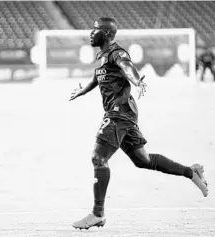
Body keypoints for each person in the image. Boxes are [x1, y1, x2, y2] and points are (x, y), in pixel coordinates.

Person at [69, 17, 208, 230]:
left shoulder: (118, 53)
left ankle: (97, 213)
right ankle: (192, 172)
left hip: (119, 113)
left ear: (106, 33)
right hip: (123, 114)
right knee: (143, 159)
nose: (90, 32)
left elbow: (127, 68)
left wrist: (137, 81)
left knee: (98, 157)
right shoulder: (102, 56)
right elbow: (98, 78)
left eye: (95, 29)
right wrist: (82, 91)